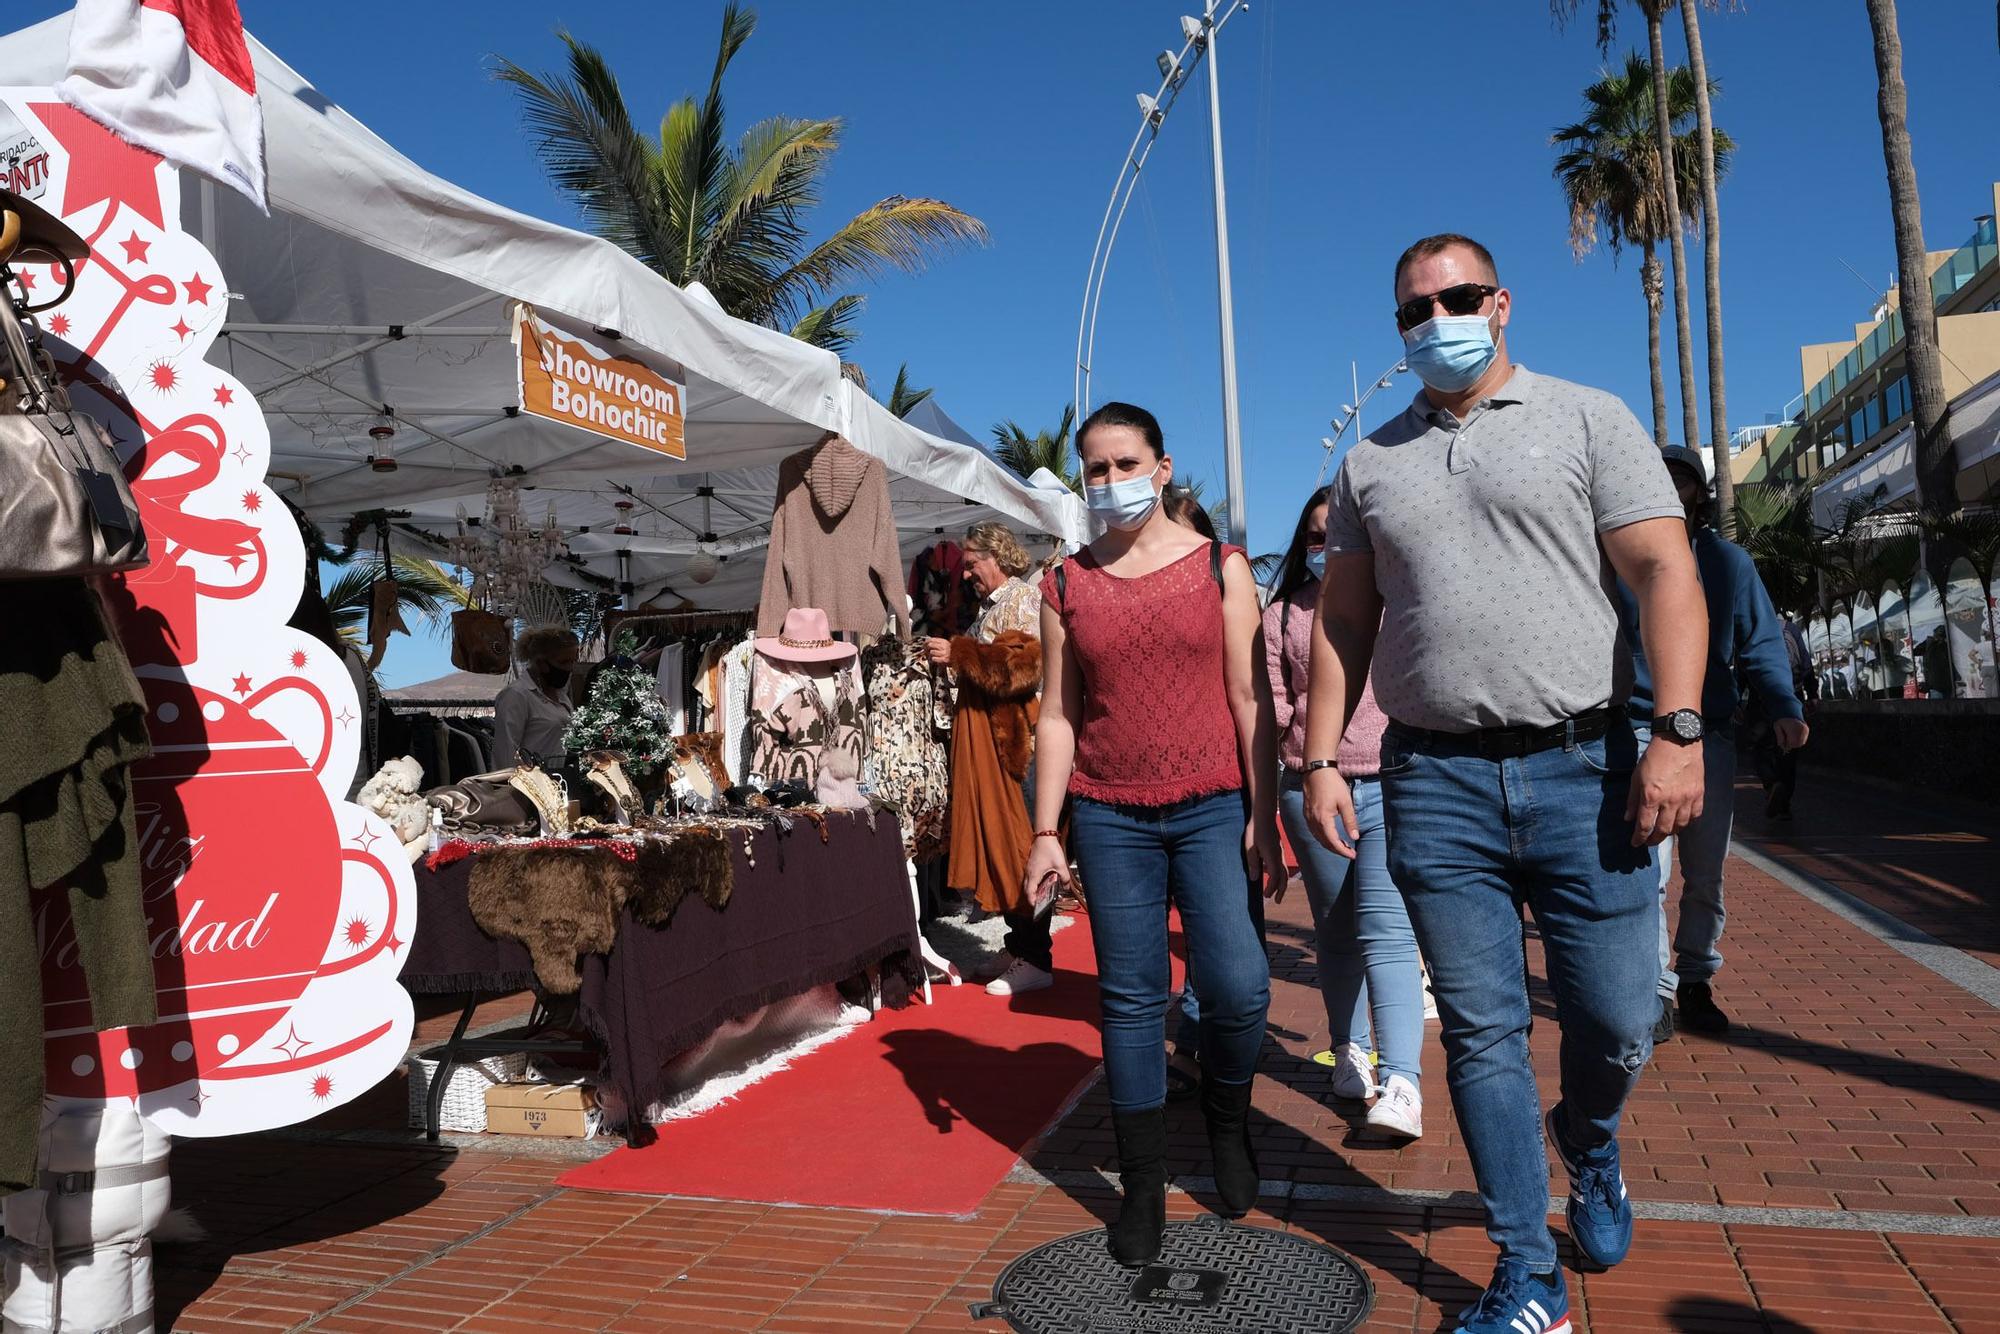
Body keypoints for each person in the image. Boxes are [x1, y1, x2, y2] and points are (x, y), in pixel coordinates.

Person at [1304, 234, 1708, 1333]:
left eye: (1457, 296)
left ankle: (1587, 1135)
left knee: (1618, 1017)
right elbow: (1343, 618)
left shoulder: (1585, 417)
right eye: (1413, 308)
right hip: (1430, 776)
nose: (1436, 318)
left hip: (1586, 765)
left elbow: (1664, 568)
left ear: (1500, 301)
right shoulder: (1369, 461)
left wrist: (1677, 730)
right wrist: (1314, 754)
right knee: (1480, 1032)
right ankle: (1526, 1270)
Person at [1024, 401, 1284, 1267]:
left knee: (1242, 986)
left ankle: (1227, 1118)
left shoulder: (1221, 566)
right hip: (1109, 813)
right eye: (1094, 469)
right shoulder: (1065, 582)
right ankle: (1141, 1186)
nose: (1109, 482)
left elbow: (1253, 700)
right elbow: (1058, 715)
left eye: (1124, 464)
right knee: (1131, 1000)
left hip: (1213, 802)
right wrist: (1044, 830)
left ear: (1163, 468)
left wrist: (1264, 809)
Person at [1620, 446, 1808, 1040]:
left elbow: (1761, 643)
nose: (1672, 490)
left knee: (1706, 873)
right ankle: (1655, 991)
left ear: (1699, 493)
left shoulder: (1729, 563)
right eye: (1662, 479)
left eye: (1683, 481)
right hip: (1635, 730)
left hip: (1712, 735)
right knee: (1645, 870)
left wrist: (1783, 706)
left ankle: (1696, 977)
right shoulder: (1621, 559)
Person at [1266, 489, 1427, 1138]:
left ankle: (1402, 1081)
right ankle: (1348, 1048)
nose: (1324, 545)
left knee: (1387, 928)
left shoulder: (1403, 604)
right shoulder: (1282, 616)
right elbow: (1272, 712)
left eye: (1336, 533)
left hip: (1394, 783)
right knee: (1335, 928)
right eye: (1313, 535)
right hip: (1309, 787)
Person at [926, 523, 1049, 996]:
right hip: (996, 745)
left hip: (1019, 746)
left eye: (972, 563)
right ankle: (1021, 945)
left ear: (995, 555)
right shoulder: (989, 608)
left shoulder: (1025, 601)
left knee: (1022, 846)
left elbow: (1021, 670)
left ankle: (1038, 957)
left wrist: (958, 651)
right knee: (1003, 845)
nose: (968, 573)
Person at [492, 627, 580, 767]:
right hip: (528, 784)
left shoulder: (561, 696)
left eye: (573, 661)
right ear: (541, 663)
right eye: (564, 662)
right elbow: (505, 753)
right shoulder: (517, 695)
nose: (570, 668)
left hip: (555, 782)